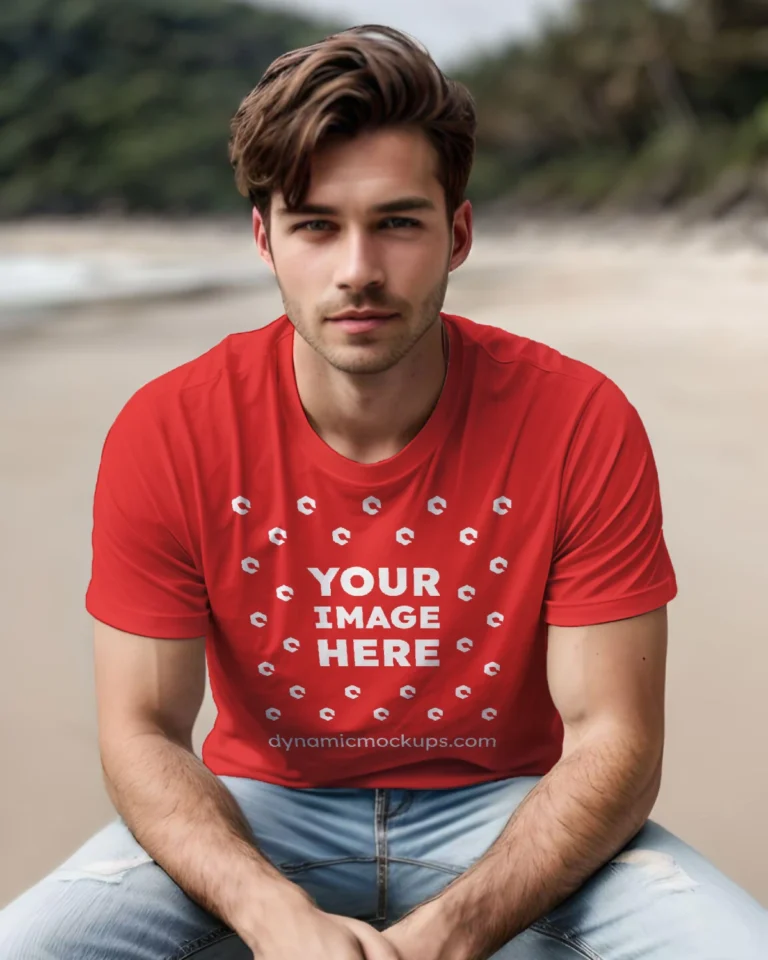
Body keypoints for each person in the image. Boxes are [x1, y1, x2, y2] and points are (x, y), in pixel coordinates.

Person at [1, 23, 765, 960]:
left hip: (508, 811)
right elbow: (143, 732)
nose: (357, 269)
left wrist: (448, 935)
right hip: (260, 813)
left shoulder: (576, 419)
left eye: (397, 222)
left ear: (459, 232)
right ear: (264, 239)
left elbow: (615, 738)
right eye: (316, 225)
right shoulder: (172, 430)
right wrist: (270, 917)